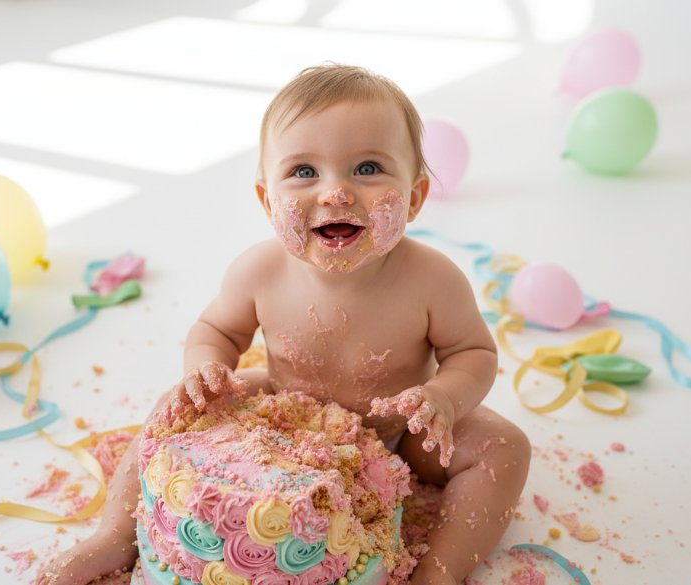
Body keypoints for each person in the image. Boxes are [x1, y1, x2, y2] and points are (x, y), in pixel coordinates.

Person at [37, 64, 530, 585]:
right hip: (279, 413)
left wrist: (444, 399)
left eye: (367, 168)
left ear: (413, 198)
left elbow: (474, 353)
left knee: (505, 448)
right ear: (267, 200)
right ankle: (114, 535)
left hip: (399, 432)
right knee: (170, 407)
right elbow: (218, 331)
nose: (336, 193)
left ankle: (440, 570)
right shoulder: (259, 270)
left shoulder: (434, 280)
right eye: (303, 172)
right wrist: (207, 369)